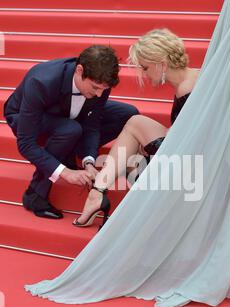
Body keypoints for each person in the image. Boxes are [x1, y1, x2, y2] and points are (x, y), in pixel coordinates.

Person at [25, 0, 230, 307]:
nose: (140, 77)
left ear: (160, 62)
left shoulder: (195, 82)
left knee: (145, 120)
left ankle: (101, 192)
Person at [73, 29, 199, 227]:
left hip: (194, 168)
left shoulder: (187, 88)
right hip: (191, 158)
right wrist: (151, 142)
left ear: (162, 64)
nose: (144, 74)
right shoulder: (192, 78)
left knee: (134, 129)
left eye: (145, 68)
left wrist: (150, 142)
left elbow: (187, 143)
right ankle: (104, 197)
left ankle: (98, 195)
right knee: (130, 152)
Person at [4, 45, 139, 219]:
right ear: (79, 70)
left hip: (69, 112)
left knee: (128, 114)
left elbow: (92, 125)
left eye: (103, 90)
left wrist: (89, 161)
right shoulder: (41, 82)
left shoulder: (100, 82)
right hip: (27, 116)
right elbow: (26, 144)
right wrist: (65, 173)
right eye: (96, 87)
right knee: (70, 129)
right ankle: (35, 194)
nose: (99, 95)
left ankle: (71, 150)